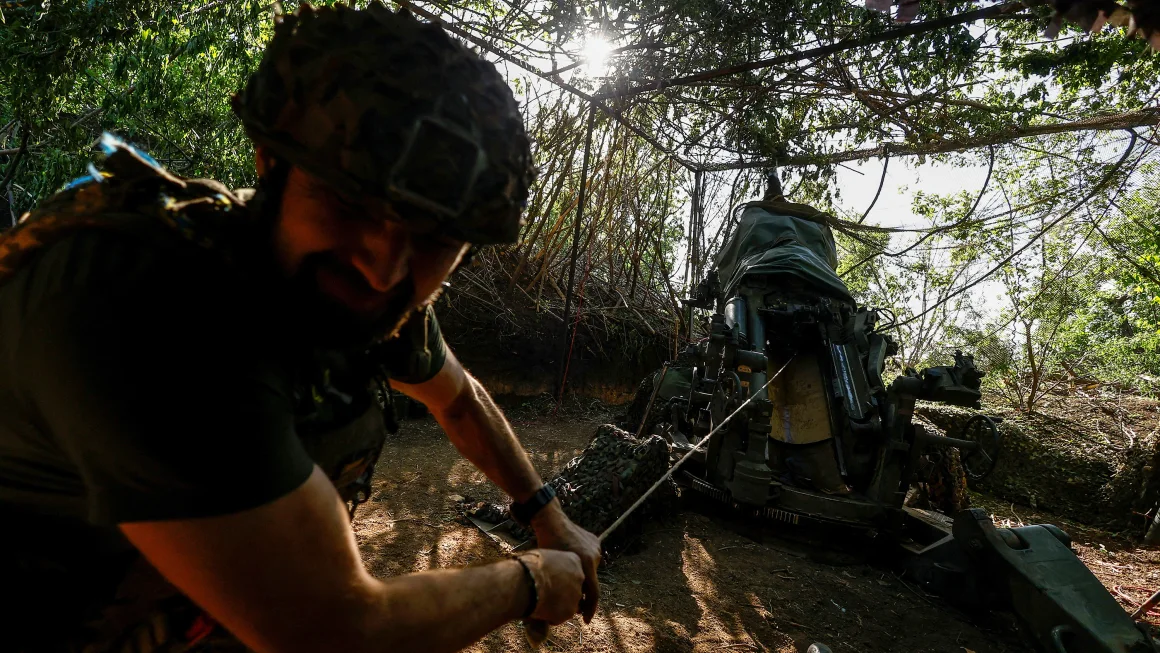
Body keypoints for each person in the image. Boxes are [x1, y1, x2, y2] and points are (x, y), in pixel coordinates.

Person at [0, 4, 600, 652]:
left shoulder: (356, 298)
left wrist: (544, 511)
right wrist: (531, 580)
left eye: (434, 237)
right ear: (268, 164)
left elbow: (459, 397)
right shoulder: (141, 307)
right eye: (348, 203)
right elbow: (335, 630)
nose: (380, 267)